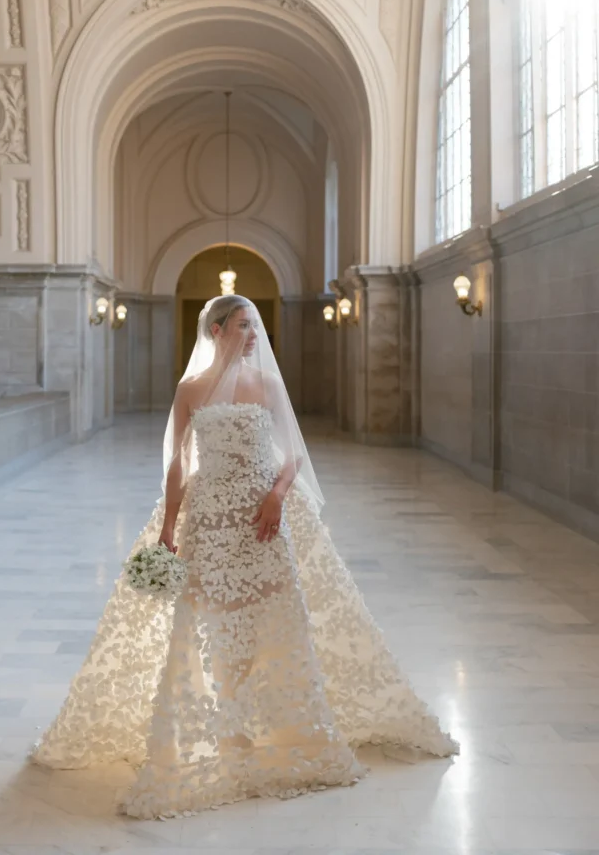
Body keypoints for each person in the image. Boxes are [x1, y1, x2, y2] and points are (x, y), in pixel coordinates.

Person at [31, 296, 458, 819]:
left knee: (273, 613)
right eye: (243, 326)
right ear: (216, 330)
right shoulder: (190, 389)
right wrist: (169, 525)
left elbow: (293, 451)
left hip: (262, 517)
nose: (254, 334)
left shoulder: (268, 385)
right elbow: (176, 463)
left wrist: (278, 493)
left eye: (254, 325)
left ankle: (270, 715)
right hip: (209, 518)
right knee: (213, 618)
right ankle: (231, 721)